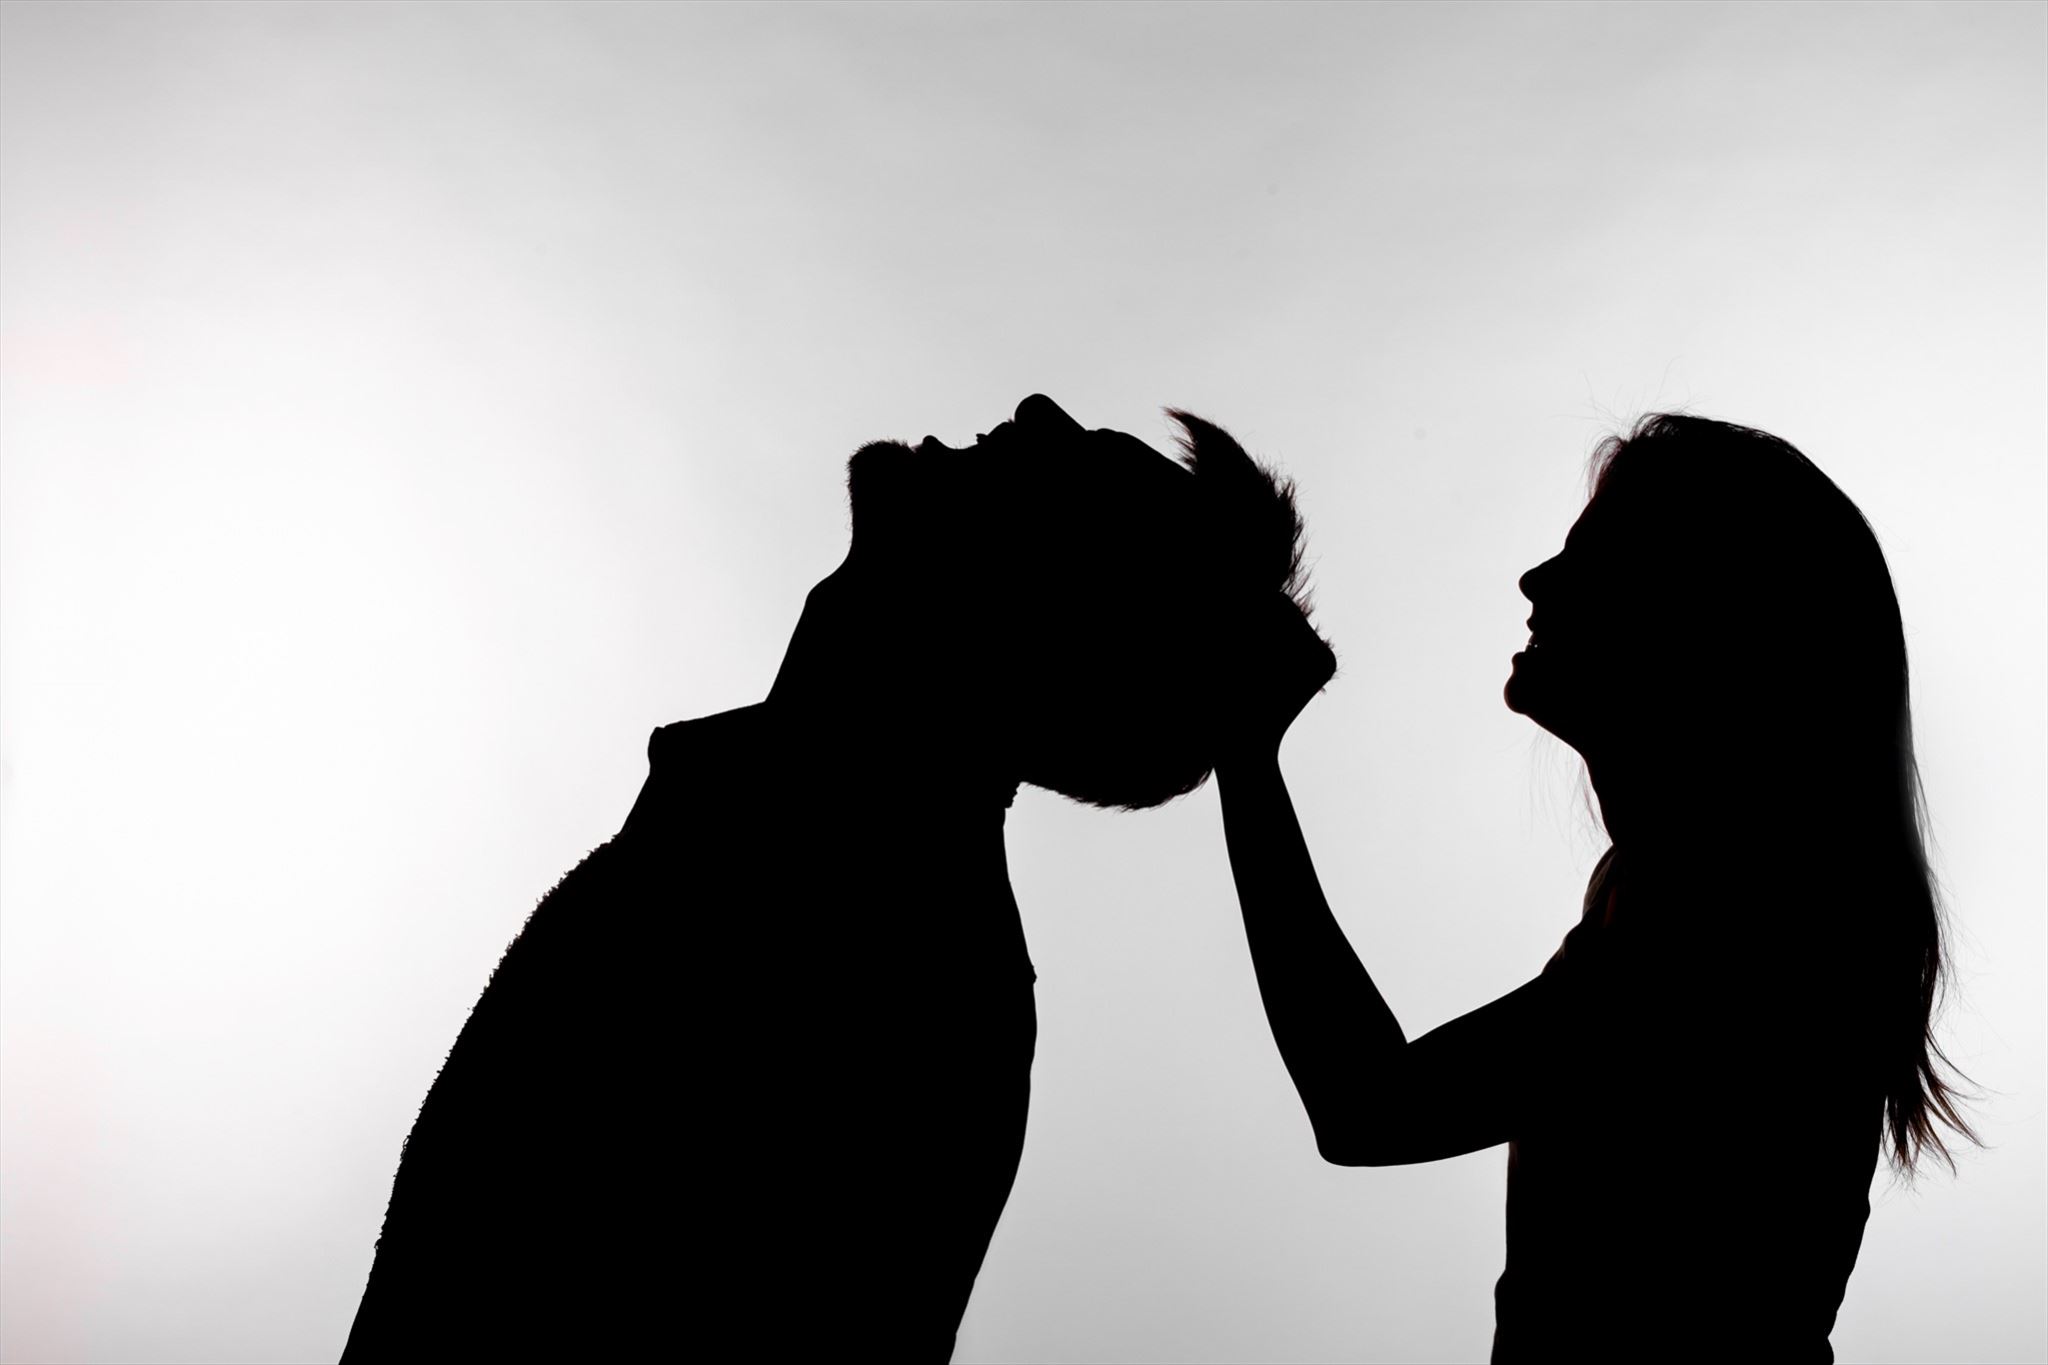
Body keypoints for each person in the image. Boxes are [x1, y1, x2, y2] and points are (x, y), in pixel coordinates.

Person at [340, 394, 1330, 1362]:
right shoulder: (771, 853)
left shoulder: (899, 969)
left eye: (1083, 480)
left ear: (1043, 625)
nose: (1035, 413)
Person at [1215, 414, 1974, 1362]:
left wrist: (1243, 746)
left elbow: (1368, 1106)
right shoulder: (1700, 891)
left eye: (1593, 557)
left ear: (1702, 615)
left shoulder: (1730, 922)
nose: (1535, 581)